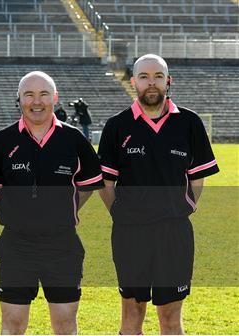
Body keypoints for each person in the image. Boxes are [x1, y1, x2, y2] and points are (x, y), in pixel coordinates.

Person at [98, 54, 219, 335]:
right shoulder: (117, 125)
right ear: (133, 82)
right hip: (130, 233)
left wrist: (184, 205)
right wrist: (120, 212)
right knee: (131, 314)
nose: (151, 83)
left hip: (174, 232)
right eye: (144, 77)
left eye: (157, 76)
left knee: (170, 317)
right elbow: (106, 180)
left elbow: (197, 176)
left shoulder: (189, 123)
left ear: (168, 80)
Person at [0, 71, 103, 334]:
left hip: (62, 245)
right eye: (29, 95)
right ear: (19, 99)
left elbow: (87, 186)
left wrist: (59, 211)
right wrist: (18, 212)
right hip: (16, 245)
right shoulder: (2, 141)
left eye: (44, 94)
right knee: (12, 323)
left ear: (55, 98)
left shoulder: (75, 140)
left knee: (65, 322)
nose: (37, 101)